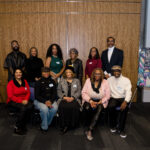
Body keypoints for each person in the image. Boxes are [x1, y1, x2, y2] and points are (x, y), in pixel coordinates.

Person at [82, 68, 110, 141]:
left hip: (100, 101)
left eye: (99, 74)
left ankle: (90, 130)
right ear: (93, 74)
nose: (97, 75)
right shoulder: (88, 81)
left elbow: (108, 95)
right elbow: (83, 92)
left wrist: (101, 101)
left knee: (99, 109)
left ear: (101, 75)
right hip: (89, 100)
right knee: (87, 107)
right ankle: (87, 125)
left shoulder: (105, 82)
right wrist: (90, 101)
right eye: (96, 74)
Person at [107, 65, 132, 138]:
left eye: (118, 71)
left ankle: (121, 129)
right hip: (113, 98)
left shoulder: (126, 80)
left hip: (123, 98)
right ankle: (113, 125)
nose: (116, 72)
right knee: (111, 107)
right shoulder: (109, 79)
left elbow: (129, 92)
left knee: (124, 109)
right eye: (114, 71)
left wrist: (125, 101)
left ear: (120, 71)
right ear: (112, 72)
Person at [7, 68, 33, 135]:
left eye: (20, 72)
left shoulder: (24, 81)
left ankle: (23, 124)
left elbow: (28, 92)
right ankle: (17, 127)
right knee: (23, 108)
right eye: (16, 72)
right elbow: (10, 96)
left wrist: (26, 100)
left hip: (24, 100)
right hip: (13, 101)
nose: (18, 74)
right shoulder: (10, 83)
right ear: (14, 74)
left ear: (22, 73)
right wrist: (21, 101)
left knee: (30, 106)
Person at [57, 66, 81, 134]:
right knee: (62, 106)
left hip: (74, 99)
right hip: (64, 99)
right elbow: (58, 90)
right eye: (66, 72)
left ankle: (73, 124)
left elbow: (79, 91)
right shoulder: (62, 80)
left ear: (72, 73)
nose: (68, 73)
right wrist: (64, 97)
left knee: (73, 106)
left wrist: (73, 97)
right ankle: (64, 125)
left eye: (69, 72)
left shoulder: (77, 80)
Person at [34, 67, 58, 134]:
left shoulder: (52, 81)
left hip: (51, 100)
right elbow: (37, 96)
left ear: (49, 72)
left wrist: (50, 101)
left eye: (47, 72)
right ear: (41, 73)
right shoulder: (38, 82)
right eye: (44, 72)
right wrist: (45, 101)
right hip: (40, 101)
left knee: (55, 108)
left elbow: (54, 94)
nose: (46, 73)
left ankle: (47, 122)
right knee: (45, 109)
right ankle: (44, 127)